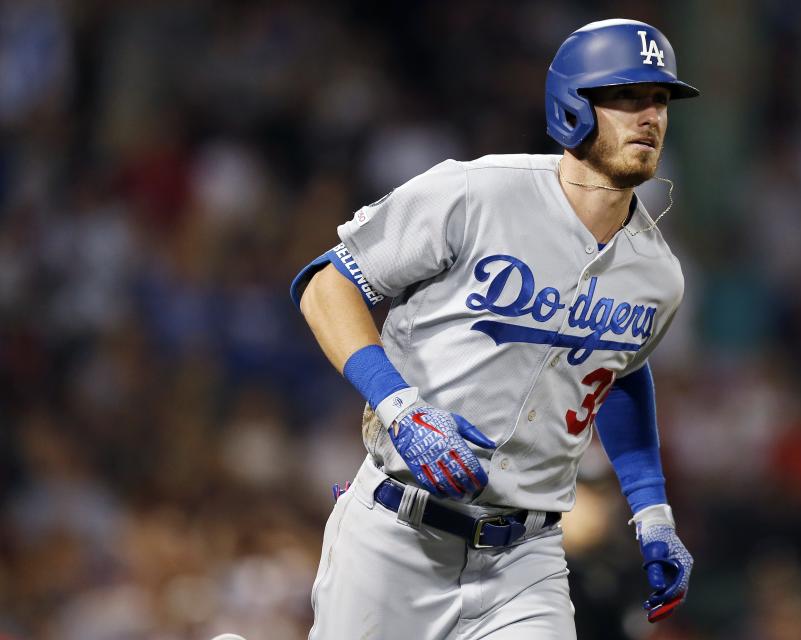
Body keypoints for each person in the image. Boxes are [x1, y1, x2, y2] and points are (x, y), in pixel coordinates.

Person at [291, 18, 699, 640]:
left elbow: (619, 373)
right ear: (573, 106)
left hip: (525, 560)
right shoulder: (475, 192)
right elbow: (326, 286)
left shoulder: (658, 273)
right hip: (396, 535)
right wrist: (399, 408)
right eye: (626, 97)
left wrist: (652, 511)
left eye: (660, 100)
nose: (650, 116)